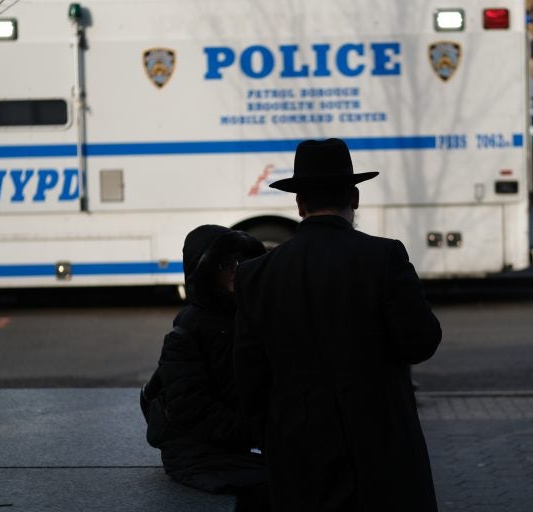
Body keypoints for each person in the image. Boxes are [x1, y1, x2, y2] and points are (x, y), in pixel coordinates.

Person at [234, 138, 443, 512]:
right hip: (380, 447)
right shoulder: (384, 257)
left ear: (299, 204)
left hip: (297, 450)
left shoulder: (256, 274)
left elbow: (250, 376)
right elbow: (421, 343)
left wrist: (272, 435)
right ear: (355, 198)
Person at [140, 225, 270, 512]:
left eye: (241, 261)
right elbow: (190, 407)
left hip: (234, 445)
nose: (236, 269)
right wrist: (257, 432)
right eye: (225, 264)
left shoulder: (245, 315)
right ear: (207, 272)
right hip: (197, 453)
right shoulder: (189, 328)